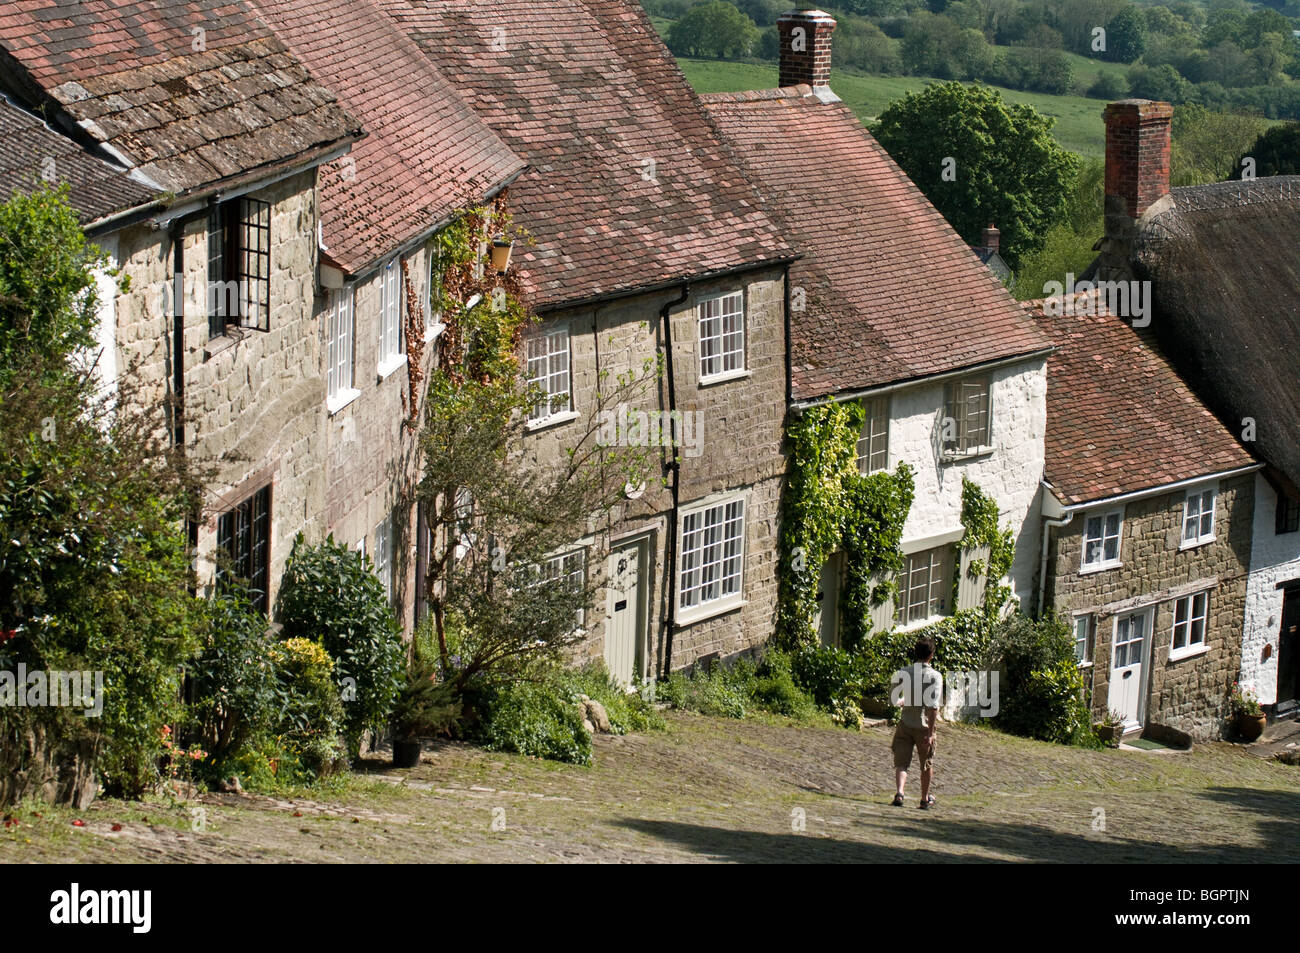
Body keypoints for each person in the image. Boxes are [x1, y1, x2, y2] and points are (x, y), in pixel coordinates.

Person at [890, 635, 942, 809]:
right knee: (926, 763)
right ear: (931, 655)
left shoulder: (904, 672)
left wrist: (904, 700)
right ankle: (924, 798)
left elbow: (893, 699)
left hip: (905, 722)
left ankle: (900, 792)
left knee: (902, 761)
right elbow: (933, 707)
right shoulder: (935, 676)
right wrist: (930, 733)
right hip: (923, 725)